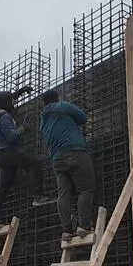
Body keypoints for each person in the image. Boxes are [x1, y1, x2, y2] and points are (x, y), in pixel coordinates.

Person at [0, 86, 55, 226]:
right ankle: (38, 195)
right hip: (8, 152)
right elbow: (11, 137)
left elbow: (5, 101)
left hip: (1, 155)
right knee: (34, 163)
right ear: (6, 103)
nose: (14, 103)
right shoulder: (5, 116)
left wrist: (20, 92)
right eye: (11, 101)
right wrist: (24, 127)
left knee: (4, 185)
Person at [39, 89, 96, 241]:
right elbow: (82, 118)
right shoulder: (62, 106)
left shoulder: (43, 121)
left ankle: (66, 230)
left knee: (63, 194)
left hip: (57, 160)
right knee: (85, 189)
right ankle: (84, 225)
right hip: (75, 152)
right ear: (57, 98)